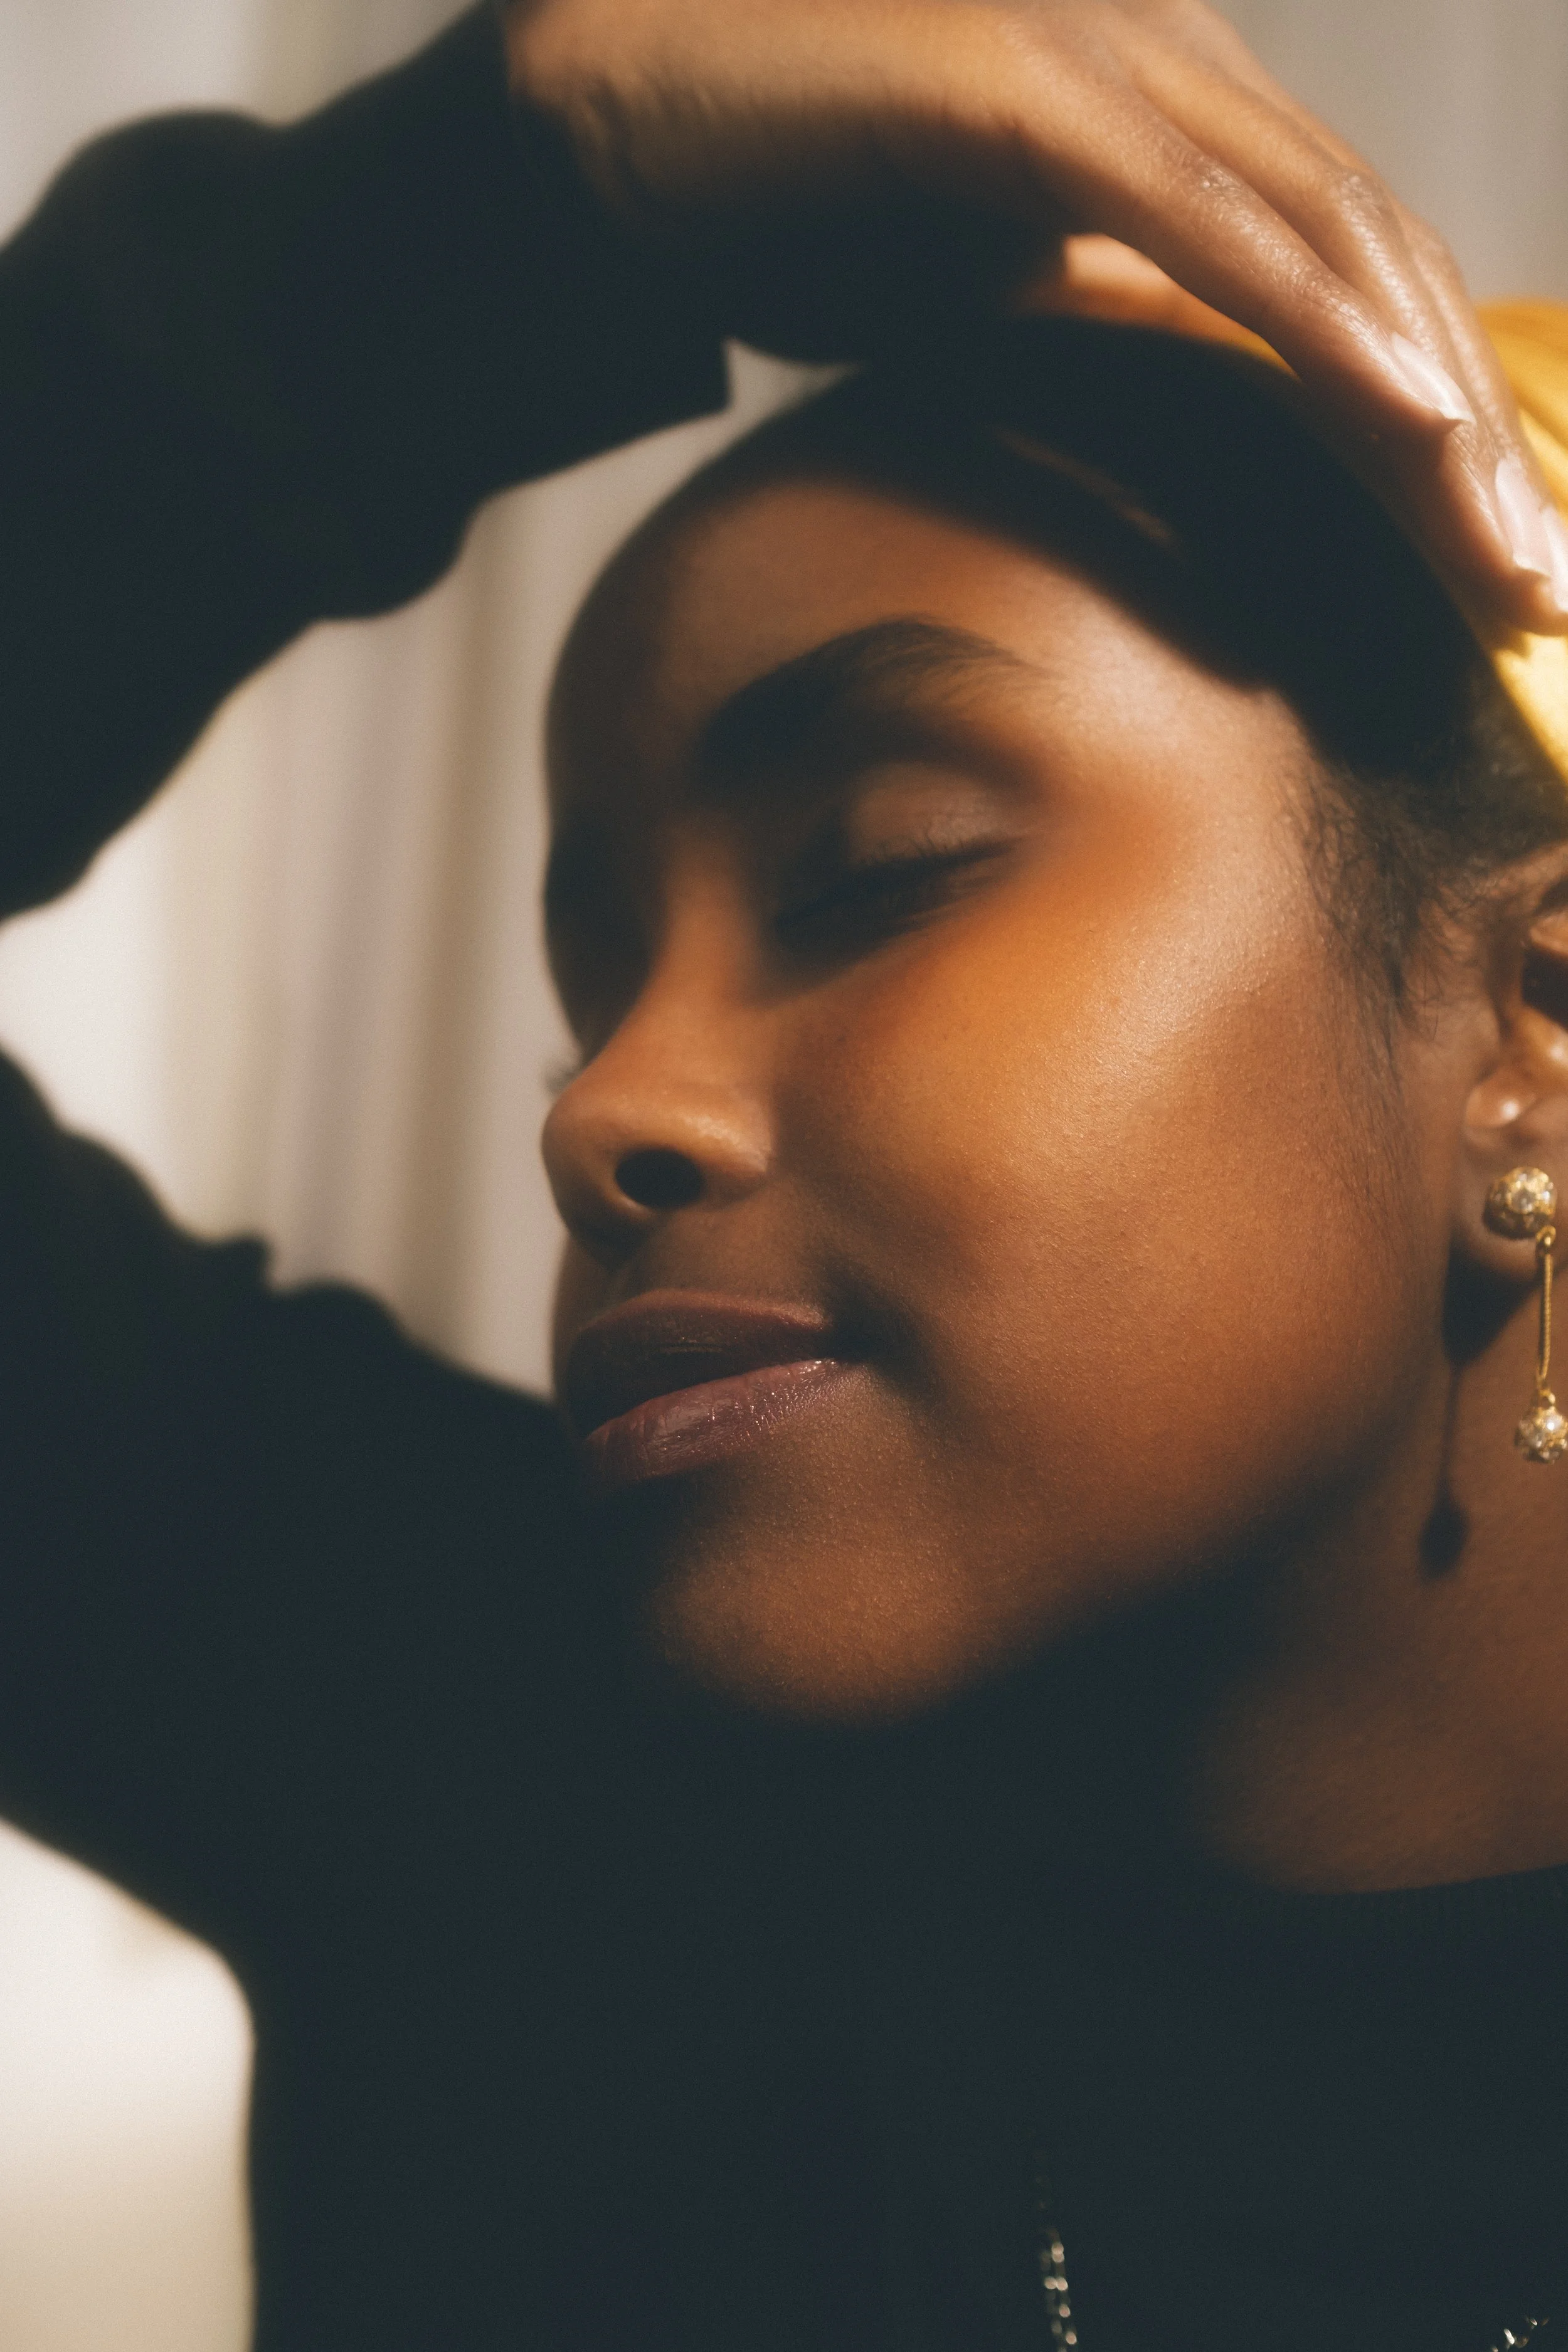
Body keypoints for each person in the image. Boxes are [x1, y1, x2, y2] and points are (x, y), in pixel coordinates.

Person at [2, 4, 1567, 2348]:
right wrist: (491, 199)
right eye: (590, 979)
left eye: (876, 867)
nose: (601, 1107)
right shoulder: (471, 1774)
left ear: (1532, 1036)